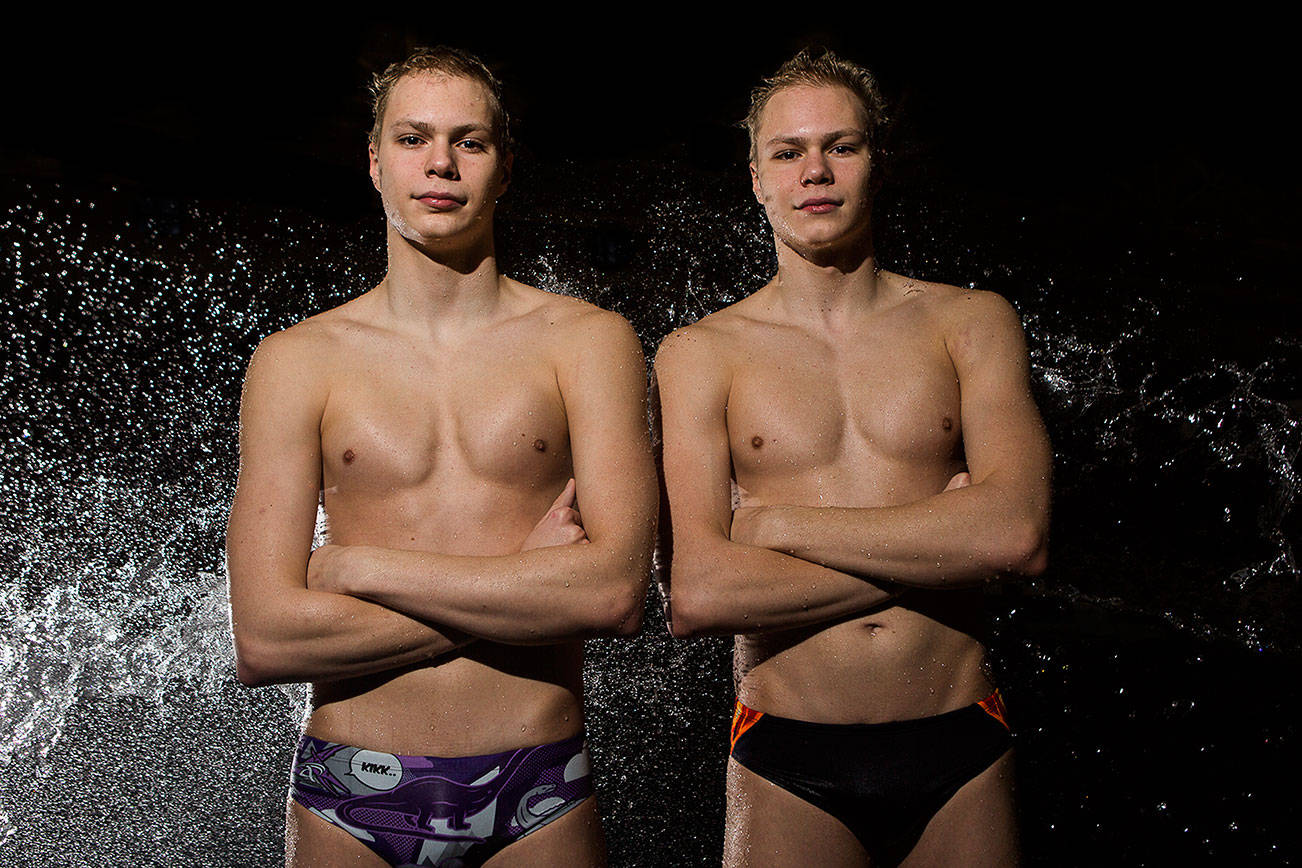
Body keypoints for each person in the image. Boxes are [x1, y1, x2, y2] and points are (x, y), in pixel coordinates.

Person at [226, 46, 656, 868]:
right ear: (374, 160)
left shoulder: (590, 344)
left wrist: (365, 570)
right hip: (350, 791)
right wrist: (522, 587)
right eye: (413, 137)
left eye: (470, 141)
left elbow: (611, 594)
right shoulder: (296, 361)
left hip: (537, 782)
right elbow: (267, 639)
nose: (441, 163)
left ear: (504, 166)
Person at [654, 47, 1051, 867]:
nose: (816, 172)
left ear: (878, 161)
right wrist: (947, 537)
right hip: (788, 753)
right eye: (788, 152)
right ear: (756, 176)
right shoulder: (700, 353)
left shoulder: (971, 323)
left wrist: (775, 524)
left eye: (842, 146)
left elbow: (1017, 535)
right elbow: (699, 590)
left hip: (961, 738)